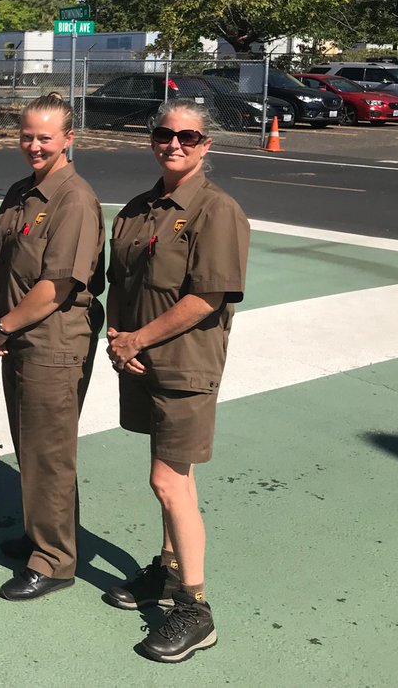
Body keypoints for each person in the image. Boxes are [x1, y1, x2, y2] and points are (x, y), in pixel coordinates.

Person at [104, 99, 249, 663]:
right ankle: (166, 570)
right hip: (140, 361)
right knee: (165, 477)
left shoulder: (216, 211)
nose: (175, 144)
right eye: (165, 134)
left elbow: (206, 297)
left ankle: (195, 607)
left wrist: (137, 339)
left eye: (188, 136)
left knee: (170, 482)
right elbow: (122, 279)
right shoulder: (141, 208)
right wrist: (119, 334)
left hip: (185, 366)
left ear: (205, 145)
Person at [0, 93, 105, 602]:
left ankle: (53, 561)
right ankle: (46, 537)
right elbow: (2, 261)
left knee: (49, 451)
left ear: (68, 140)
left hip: (52, 342)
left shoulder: (73, 199)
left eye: (45, 137)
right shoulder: (19, 192)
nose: (34, 145)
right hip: (19, 337)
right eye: (27, 135)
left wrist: (2, 325)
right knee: (31, 446)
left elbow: (55, 288)